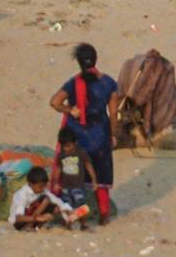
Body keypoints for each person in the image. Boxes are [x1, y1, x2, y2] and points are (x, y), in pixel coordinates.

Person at [48, 43, 118, 224]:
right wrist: (114, 135)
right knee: (101, 177)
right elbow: (113, 114)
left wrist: (70, 110)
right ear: (96, 59)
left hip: (76, 139)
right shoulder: (109, 84)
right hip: (100, 137)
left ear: (78, 62)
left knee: (73, 178)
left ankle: (73, 216)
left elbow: (54, 102)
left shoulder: (73, 83)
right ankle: (104, 215)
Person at [8, 166, 74, 230]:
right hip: (18, 223)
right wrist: (37, 218)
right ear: (30, 184)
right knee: (46, 199)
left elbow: (58, 202)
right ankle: (29, 226)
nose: (43, 189)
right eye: (40, 186)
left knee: (56, 207)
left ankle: (64, 223)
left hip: (33, 217)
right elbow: (18, 218)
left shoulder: (43, 191)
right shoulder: (22, 194)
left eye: (44, 186)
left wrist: (69, 211)